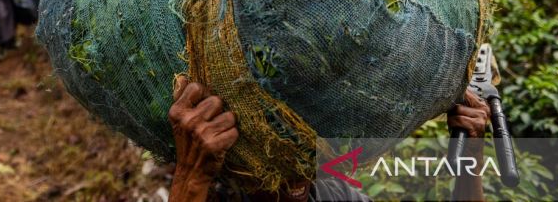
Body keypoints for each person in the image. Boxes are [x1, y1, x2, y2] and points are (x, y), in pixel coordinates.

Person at [168, 76, 491, 202]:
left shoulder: (333, 194)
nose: (300, 172)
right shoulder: (214, 193)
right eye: (280, 154)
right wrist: (191, 178)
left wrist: (469, 154)